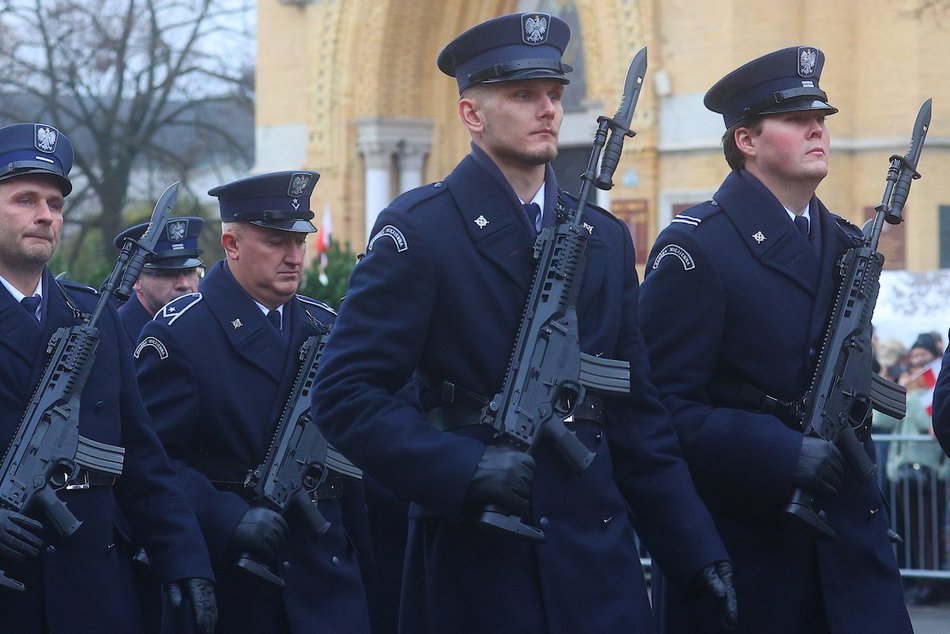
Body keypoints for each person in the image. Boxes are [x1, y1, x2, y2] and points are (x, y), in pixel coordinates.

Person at [311, 13, 736, 634]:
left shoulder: (604, 238)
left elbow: (637, 415)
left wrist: (696, 551)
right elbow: (345, 396)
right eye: (523, 95)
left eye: (555, 95)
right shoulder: (421, 231)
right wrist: (462, 469)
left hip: (599, 570)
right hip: (481, 564)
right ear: (472, 115)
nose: (547, 111)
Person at [638, 47, 912, 632]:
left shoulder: (843, 246)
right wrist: (776, 448)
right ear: (746, 140)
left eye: (822, 118)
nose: (818, 129)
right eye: (795, 119)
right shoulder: (698, 250)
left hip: (850, 550)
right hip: (753, 551)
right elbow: (658, 411)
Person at [134, 171, 373, 633]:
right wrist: (227, 517)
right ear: (232, 244)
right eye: (276, 241)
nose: (294, 256)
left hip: (329, 574)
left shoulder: (324, 326)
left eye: (299, 241)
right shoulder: (181, 334)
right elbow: (152, 463)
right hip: (241, 578)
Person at [0, 122, 217, 632]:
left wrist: (185, 560)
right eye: (25, 200)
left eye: (54, 204)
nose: (44, 216)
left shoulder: (91, 318)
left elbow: (142, 460)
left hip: (93, 596)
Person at [877, 334, 948, 605]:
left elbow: (927, 423)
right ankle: (917, 583)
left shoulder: (929, 392)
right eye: (914, 355)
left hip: (929, 471)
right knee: (908, 532)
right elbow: (882, 420)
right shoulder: (909, 390)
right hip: (901, 472)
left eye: (923, 355)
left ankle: (931, 585)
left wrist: (915, 395)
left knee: (928, 533)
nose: (918, 361)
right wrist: (891, 381)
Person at [113, 216, 205, 340]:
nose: (184, 284)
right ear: (136, 280)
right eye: (167, 274)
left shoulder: (207, 324)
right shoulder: (116, 336)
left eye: (190, 272)